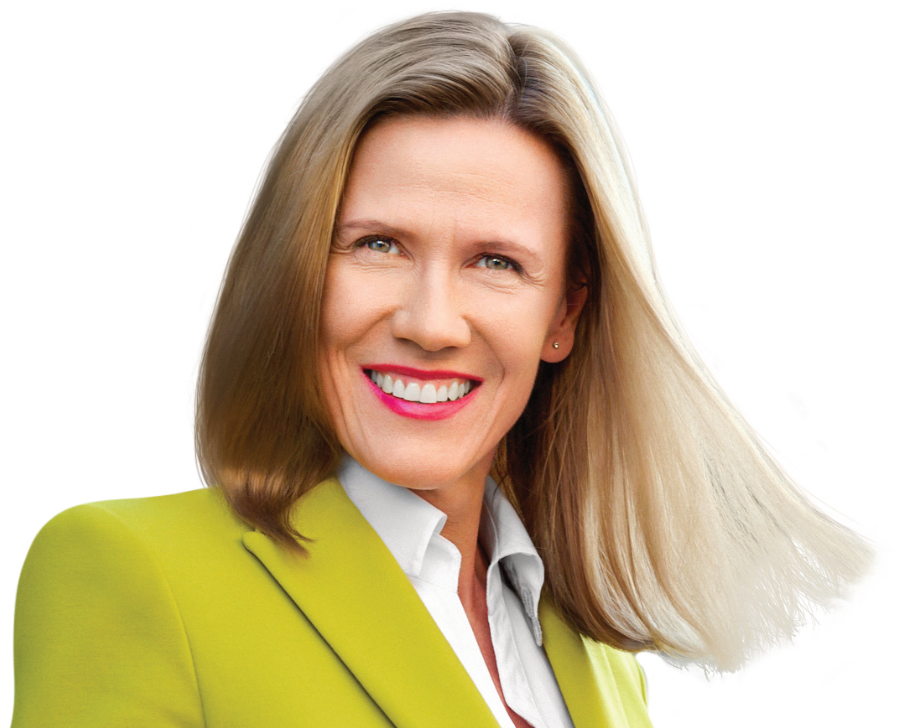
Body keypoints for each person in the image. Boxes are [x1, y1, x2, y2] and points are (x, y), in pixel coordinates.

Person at [9, 7, 888, 727]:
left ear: (564, 314)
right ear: (295, 273)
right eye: (378, 245)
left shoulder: (597, 653)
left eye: (496, 262)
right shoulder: (133, 572)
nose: (431, 324)